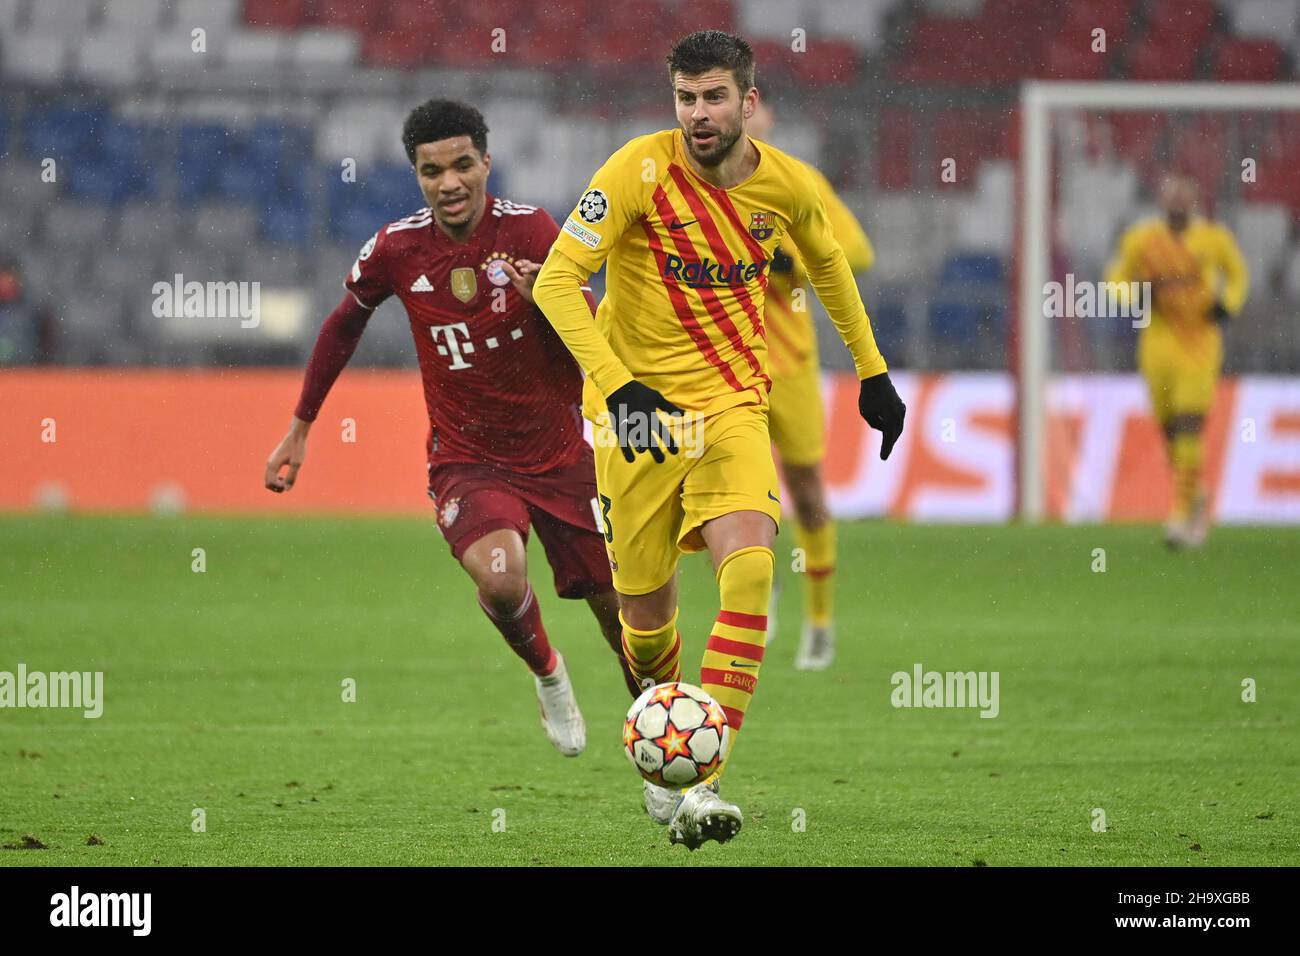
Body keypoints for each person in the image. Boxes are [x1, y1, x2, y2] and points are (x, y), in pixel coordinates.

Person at [532, 31, 905, 849]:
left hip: (734, 406)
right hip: (634, 422)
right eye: (685, 99)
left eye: (713, 98)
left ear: (747, 99)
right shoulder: (635, 170)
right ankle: (665, 755)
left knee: (751, 568)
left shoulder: (787, 186)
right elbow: (555, 281)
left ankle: (704, 778)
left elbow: (833, 266)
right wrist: (617, 384)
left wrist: (873, 373)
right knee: (647, 622)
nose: (698, 115)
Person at [264, 99, 640, 761]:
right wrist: (301, 426)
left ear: (486, 162)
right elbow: (342, 324)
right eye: (432, 170)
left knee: (625, 623)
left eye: (462, 164)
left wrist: (548, 301)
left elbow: (593, 325)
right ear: (416, 175)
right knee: (500, 577)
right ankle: (549, 673)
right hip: (469, 460)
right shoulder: (395, 249)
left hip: (561, 455)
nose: (449, 182)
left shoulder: (532, 232)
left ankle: (657, 751)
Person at [746, 96, 877, 670]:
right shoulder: (695, 190)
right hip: (724, 364)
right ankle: (756, 595)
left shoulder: (798, 184)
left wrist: (792, 261)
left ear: (764, 113)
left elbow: (859, 252)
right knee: (727, 496)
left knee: (807, 494)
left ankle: (820, 622)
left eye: (750, 105)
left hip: (791, 366)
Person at [1104, 175, 1247, 548]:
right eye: (1172, 197)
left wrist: (1227, 304)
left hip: (1200, 343)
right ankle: (1196, 495)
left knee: (1188, 424)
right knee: (1170, 431)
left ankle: (1181, 515)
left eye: (1184, 196)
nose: (1178, 203)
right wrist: (1134, 294)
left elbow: (1238, 275)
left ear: (1195, 201)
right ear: (1162, 201)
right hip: (1158, 342)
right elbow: (1115, 277)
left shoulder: (1214, 240)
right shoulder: (1142, 239)